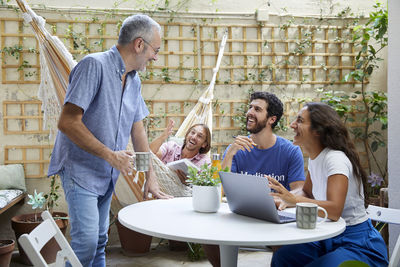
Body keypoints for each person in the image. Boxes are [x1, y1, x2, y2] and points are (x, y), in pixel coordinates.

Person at [48, 14, 172, 266]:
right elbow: (67, 122)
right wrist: (111, 155)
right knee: (86, 243)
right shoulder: (93, 66)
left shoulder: (134, 81)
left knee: (100, 241)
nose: (155, 57)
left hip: (107, 174)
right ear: (139, 44)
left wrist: (150, 176)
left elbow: (138, 132)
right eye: (155, 50)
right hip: (80, 170)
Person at [268, 102, 388, 267]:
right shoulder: (315, 158)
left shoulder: (335, 159)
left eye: (300, 121)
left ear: (317, 130)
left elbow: (334, 210)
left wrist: (293, 200)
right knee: (283, 258)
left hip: (357, 242)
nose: (292, 125)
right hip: (327, 236)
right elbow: (307, 193)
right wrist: (280, 199)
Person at [204, 91, 306, 267]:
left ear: (271, 119)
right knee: (207, 234)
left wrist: (282, 197)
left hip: (275, 220)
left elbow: (300, 190)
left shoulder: (290, 151)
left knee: (286, 245)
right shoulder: (236, 148)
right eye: (250, 107)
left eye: (257, 109)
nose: (249, 112)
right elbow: (220, 190)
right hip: (241, 216)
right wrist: (229, 155)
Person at [149, 119, 211, 185]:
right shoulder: (171, 147)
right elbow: (150, 153)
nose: (193, 137)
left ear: (204, 144)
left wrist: (189, 183)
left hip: (186, 194)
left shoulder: (204, 162)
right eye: (192, 132)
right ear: (187, 135)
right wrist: (163, 136)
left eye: (199, 136)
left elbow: (204, 186)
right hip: (160, 188)